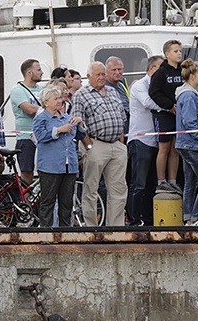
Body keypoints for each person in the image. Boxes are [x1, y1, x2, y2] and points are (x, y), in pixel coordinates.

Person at [71, 62, 128, 226]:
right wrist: (89, 147)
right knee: (91, 188)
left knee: (119, 189)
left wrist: (121, 144)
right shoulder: (81, 95)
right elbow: (78, 123)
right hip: (95, 143)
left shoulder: (112, 91)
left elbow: (122, 118)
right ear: (88, 76)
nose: (102, 77)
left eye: (103, 74)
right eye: (98, 74)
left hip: (116, 145)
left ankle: (115, 228)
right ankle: (91, 227)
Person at [32, 85, 84, 227]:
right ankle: (46, 233)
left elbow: (81, 135)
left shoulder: (68, 118)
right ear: (46, 102)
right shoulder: (41, 118)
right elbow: (40, 136)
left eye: (60, 98)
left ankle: (65, 233)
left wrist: (80, 123)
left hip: (69, 166)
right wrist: (59, 130)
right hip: (50, 166)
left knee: (67, 203)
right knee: (48, 201)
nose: (59, 101)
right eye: (55, 98)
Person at [175, 59, 198, 226]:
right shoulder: (190, 97)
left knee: (190, 183)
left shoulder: (185, 95)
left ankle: (188, 218)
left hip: (185, 145)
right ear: (192, 76)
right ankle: (196, 217)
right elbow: (190, 123)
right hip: (192, 145)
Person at [127, 56, 163, 226]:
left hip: (155, 140)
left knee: (151, 185)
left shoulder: (158, 86)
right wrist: (169, 106)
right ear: (152, 68)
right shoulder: (139, 85)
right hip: (140, 139)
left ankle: (149, 220)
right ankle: (134, 220)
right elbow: (148, 103)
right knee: (138, 184)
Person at [149, 40, 184, 194]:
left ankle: (173, 180)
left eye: (180, 51)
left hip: (180, 115)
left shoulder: (182, 72)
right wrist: (169, 106)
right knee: (164, 148)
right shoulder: (160, 73)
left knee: (175, 148)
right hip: (164, 114)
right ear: (167, 54)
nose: (179, 53)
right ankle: (161, 180)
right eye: (175, 51)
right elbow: (154, 92)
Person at [11, 59, 43, 186]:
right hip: (26, 137)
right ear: (29, 73)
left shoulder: (41, 89)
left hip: (41, 136)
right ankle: (25, 202)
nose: (42, 72)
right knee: (27, 173)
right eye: (38, 70)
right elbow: (29, 109)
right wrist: (46, 109)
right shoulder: (17, 90)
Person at [105, 56, 130, 132]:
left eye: (119, 69)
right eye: (113, 70)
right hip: (115, 122)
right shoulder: (103, 87)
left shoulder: (122, 84)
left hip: (128, 119)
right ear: (106, 71)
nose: (117, 72)